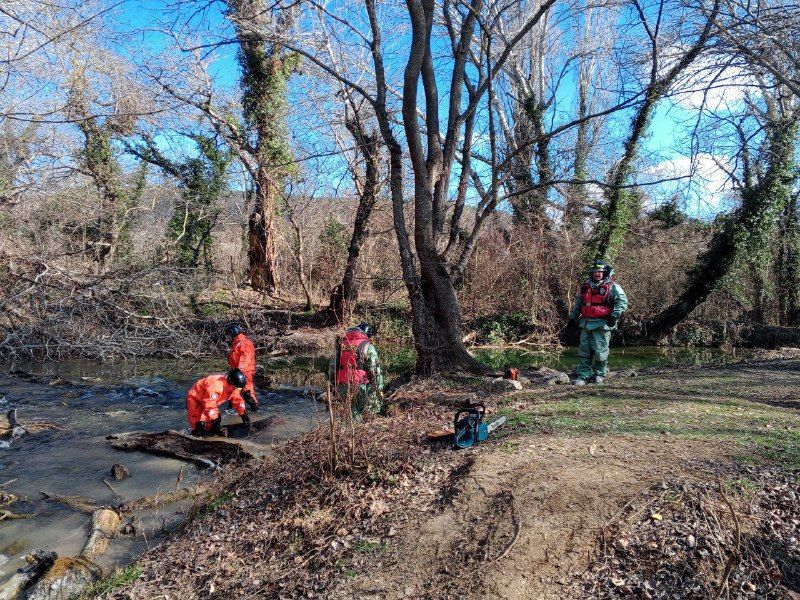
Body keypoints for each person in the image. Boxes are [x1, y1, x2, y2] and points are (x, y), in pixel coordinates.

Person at [568, 260, 629, 385]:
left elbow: (622, 302)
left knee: (600, 350)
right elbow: (579, 304)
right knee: (584, 351)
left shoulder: (613, 286)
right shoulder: (585, 287)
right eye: (595, 271)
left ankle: (599, 374)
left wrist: (614, 315)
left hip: (603, 323)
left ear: (604, 273)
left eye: (600, 272)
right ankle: (583, 375)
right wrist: (572, 318)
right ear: (591, 273)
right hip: (586, 323)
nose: (597, 274)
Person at [333, 323, 384, 419]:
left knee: (349, 413)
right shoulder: (367, 346)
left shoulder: (341, 345)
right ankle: (363, 430)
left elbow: (333, 368)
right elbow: (375, 370)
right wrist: (379, 388)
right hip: (361, 385)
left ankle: (348, 431)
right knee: (369, 410)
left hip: (342, 385)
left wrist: (334, 387)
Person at [186, 369, 251, 436]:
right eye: (237, 388)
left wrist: (243, 415)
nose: (237, 390)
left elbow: (238, 401)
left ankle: (211, 436)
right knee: (199, 424)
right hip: (196, 399)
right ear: (231, 382)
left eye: (239, 389)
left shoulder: (234, 388)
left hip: (210, 400)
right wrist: (215, 419)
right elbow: (209, 404)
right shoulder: (217, 386)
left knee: (211, 425)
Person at [225, 322, 259, 413]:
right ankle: (232, 411)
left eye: (228, 336)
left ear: (233, 333)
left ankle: (255, 411)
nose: (227, 338)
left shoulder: (245, 343)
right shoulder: (236, 345)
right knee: (233, 392)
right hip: (237, 372)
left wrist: (239, 371)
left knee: (247, 392)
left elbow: (245, 358)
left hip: (245, 372)